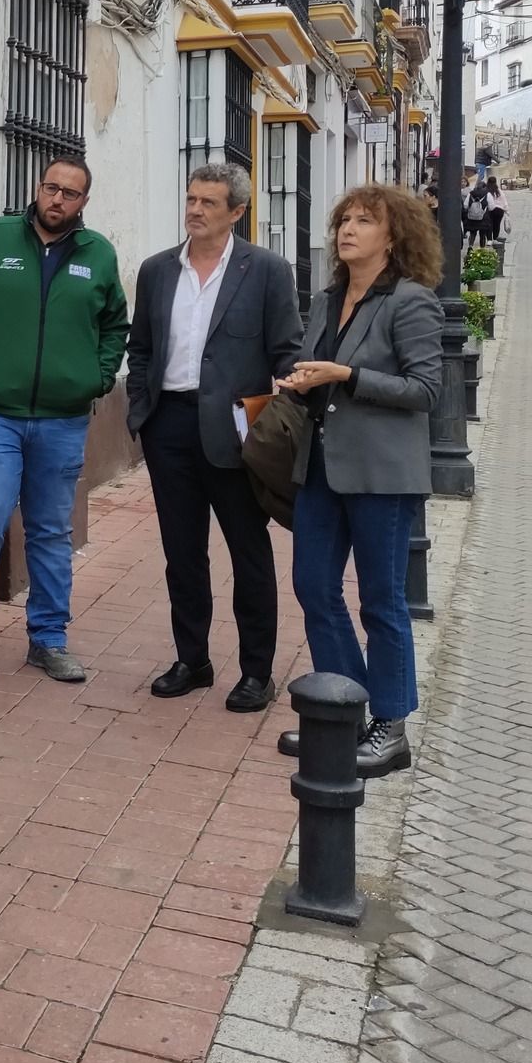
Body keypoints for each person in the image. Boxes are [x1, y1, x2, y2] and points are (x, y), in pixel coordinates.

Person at [0, 157, 129, 688]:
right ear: (37, 188)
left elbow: (116, 323)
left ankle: (48, 639)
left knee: (49, 531)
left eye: (71, 193)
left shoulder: (99, 254)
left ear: (83, 202)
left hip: (64, 418)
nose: (58, 199)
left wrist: (96, 376)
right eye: (52, 188)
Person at [274, 185, 443, 778]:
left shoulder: (411, 302)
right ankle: (345, 712)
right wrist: (298, 380)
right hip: (321, 466)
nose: (348, 229)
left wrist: (347, 375)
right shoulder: (327, 298)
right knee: (314, 587)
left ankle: (391, 729)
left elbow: (426, 391)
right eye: (344, 219)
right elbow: (315, 364)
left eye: (364, 221)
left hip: (381, 474)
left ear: (392, 236)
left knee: (381, 601)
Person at [125, 164, 302, 712]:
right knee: (182, 552)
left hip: (234, 430)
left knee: (248, 552)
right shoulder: (157, 270)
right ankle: (192, 659)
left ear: (236, 213)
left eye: (208, 202)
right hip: (169, 426)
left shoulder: (267, 271)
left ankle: (257, 671)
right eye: (191, 199)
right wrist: (141, 413)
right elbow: (143, 347)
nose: (195, 210)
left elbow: (287, 350)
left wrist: (278, 417)